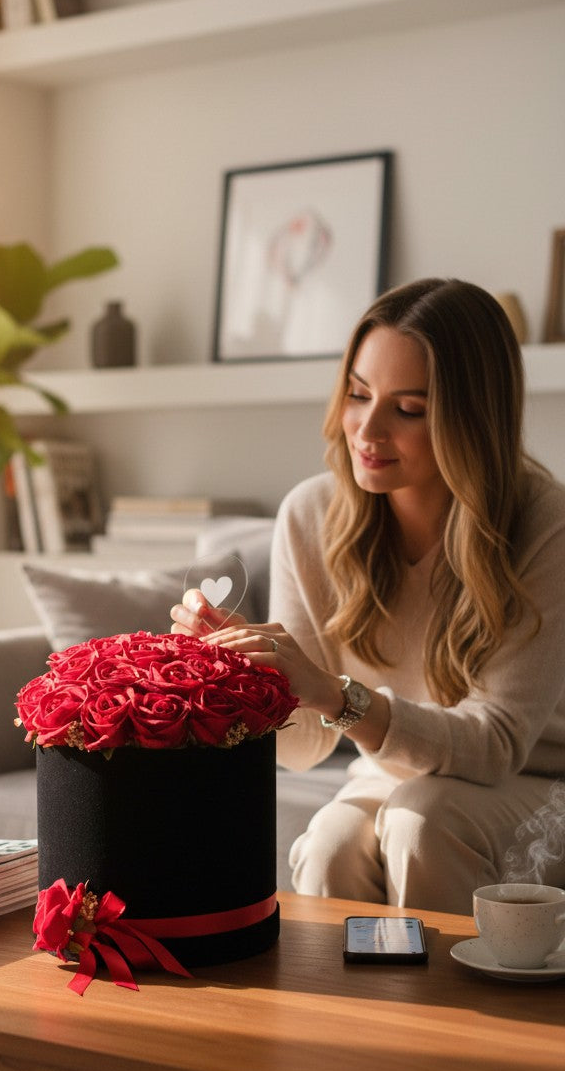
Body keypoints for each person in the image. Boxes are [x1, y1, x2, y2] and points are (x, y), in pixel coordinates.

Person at [171, 277, 565, 914]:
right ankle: (346, 1017)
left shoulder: (546, 524)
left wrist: (336, 693)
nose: (366, 429)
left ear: (472, 418)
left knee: (421, 826)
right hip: (394, 775)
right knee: (328, 844)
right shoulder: (311, 515)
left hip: (539, 785)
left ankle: (458, 1019)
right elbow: (302, 751)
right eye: (358, 394)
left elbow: (495, 747)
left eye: (408, 409)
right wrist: (246, 671)